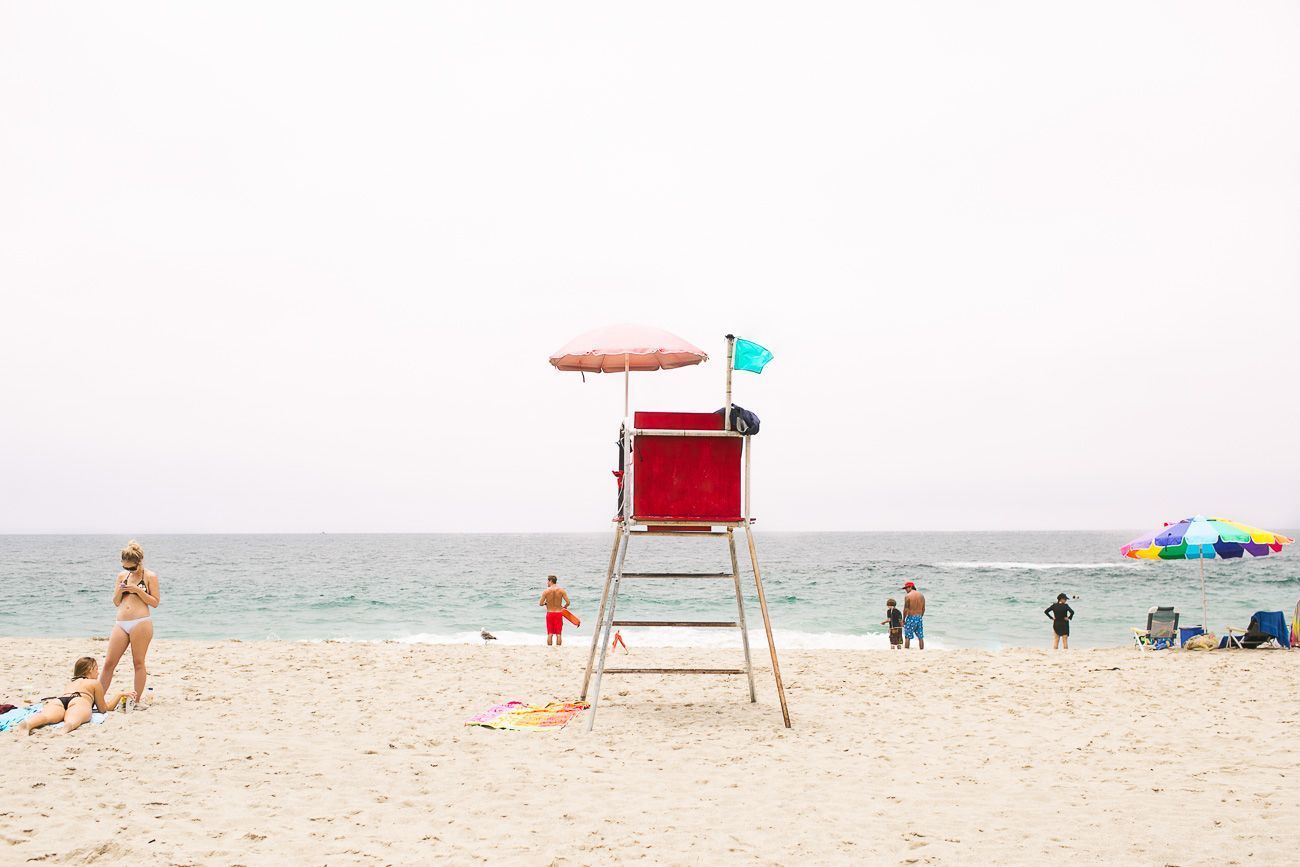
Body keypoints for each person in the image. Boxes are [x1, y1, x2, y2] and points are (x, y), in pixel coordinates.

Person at [100, 540, 160, 698]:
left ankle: (136, 699)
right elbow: (116, 602)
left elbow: (155, 602)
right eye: (125, 567)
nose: (129, 570)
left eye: (132, 567)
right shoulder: (121, 576)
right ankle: (97, 698)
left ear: (139, 562)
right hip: (121, 623)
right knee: (108, 663)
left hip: (141, 623)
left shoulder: (150, 576)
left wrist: (137, 590)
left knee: (138, 662)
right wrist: (121, 591)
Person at [16, 657, 135, 735]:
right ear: (89, 670)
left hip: (60, 700)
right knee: (72, 720)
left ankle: (28, 724)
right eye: (96, 669)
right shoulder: (94, 683)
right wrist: (119, 694)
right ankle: (64, 729)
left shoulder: (72, 683)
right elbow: (103, 708)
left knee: (46, 716)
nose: (98, 673)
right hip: (80, 700)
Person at [538, 575, 571, 646]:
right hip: (558, 614)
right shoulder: (561, 590)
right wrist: (564, 607)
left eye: (548, 581)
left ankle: (549, 648)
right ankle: (558, 648)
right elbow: (568, 602)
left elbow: (540, 603)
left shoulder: (546, 591)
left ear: (550, 581)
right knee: (558, 634)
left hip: (550, 614)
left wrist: (545, 603)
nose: (547, 583)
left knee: (550, 634)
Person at [901, 581, 926, 650]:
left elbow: (905, 609)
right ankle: (922, 650)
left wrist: (903, 620)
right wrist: (920, 617)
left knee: (907, 636)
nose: (905, 590)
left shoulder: (908, 596)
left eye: (906, 588)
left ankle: (906, 650)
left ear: (911, 587)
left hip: (911, 617)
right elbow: (923, 608)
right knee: (920, 637)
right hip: (919, 617)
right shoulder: (921, 595)